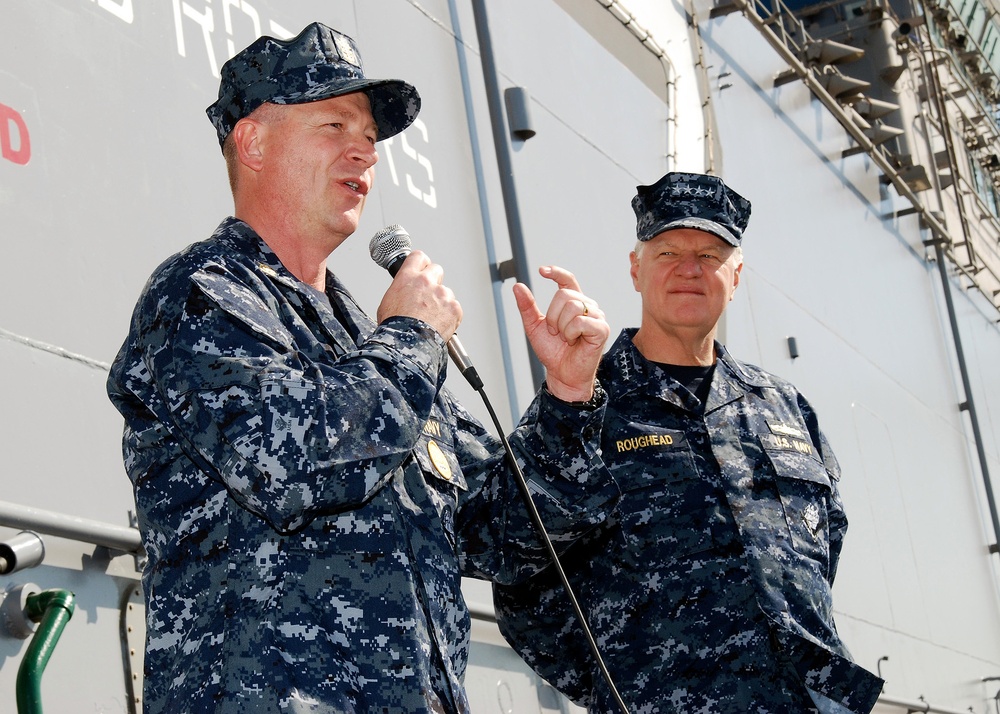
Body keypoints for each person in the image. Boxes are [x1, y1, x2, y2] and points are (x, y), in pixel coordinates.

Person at [106, 22, 619, 714]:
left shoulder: (369, 341)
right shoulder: (204, 295)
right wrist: (410, 337)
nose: (364, 151)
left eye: (370, 137)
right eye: (333, 125)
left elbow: (512, 535)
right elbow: (289, 464)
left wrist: (568, 395)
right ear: (252, 141)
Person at [493, 172, 885, 714]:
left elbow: (822, 549)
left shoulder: (783, 407)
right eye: (667, 251)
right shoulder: (583, 399)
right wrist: (622, 683)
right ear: (636, 269)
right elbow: (517, 559)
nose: (689, 269)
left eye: (711, 253)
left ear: (737, 274)